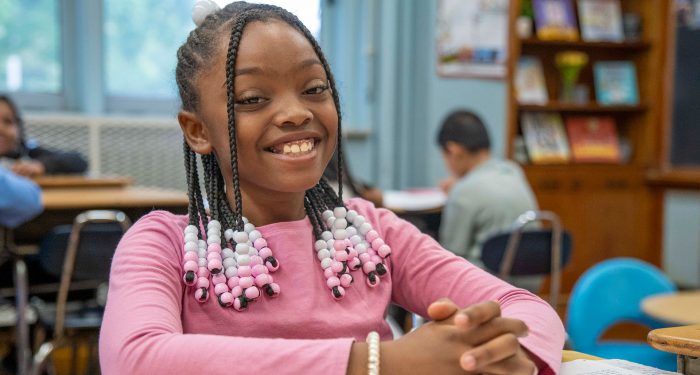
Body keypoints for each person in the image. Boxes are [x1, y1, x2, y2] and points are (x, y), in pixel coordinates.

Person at [99, 2, 564, 374]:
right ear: (197, 130)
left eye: (314, 89)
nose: (296, 112)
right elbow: (135, 359)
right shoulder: (163, 244)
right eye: (253, 99)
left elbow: (521, 304)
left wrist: (506, 354)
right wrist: (378, 363)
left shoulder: (369, 232)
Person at [436, 110, 542, 292]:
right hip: (530, 284)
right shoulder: (513, 171)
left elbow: (450, 254)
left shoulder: (463, 192)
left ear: (454, 150)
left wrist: (458, 190)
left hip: (487, 290)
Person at [0, 95, 88, 177]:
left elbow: (77, 161)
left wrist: (41, 165)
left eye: (8, 121)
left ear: (19, 128)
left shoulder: (27, 152)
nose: (1, 129)